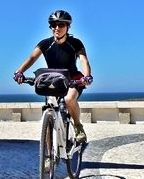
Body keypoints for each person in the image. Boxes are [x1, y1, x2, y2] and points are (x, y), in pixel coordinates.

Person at [13, 10, 93, 143]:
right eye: (53, 25)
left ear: (68, 27)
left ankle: (78, 126)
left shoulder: (75, 43)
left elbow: (84, 60)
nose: (57, 28)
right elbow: (32, 58)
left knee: (69, 99)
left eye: (61, 25)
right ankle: (49, 157)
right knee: (49, 113)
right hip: (53, 79)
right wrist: (19, 72)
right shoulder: (45, 43)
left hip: (72, 78)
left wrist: (87, 76)